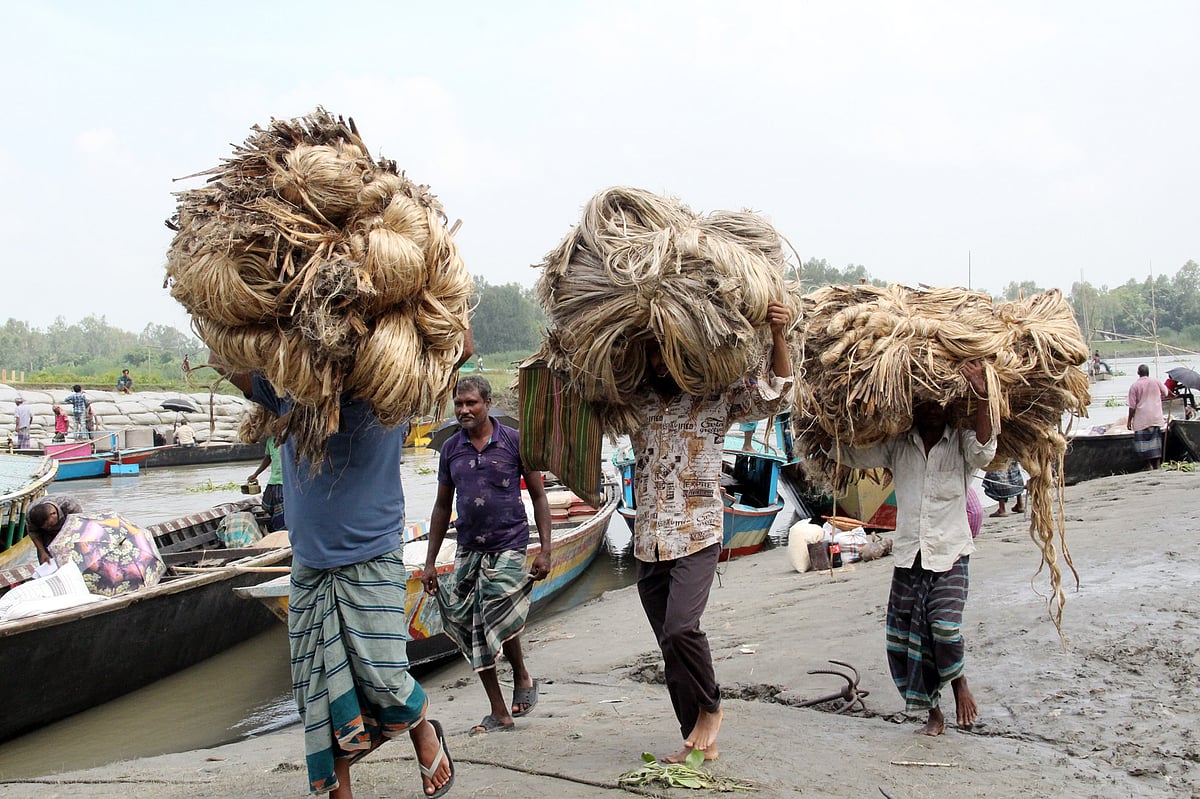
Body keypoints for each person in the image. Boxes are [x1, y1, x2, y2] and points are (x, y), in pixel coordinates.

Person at [219, 348, 464, 799]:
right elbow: (223, 356)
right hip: (310, 567)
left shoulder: (392, 394)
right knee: (319, 698)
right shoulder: (289, 397)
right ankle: (339, 791)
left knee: (387, 676)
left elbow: (458, 347)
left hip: (371, 558)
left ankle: (424, 729)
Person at [628, 300, 794, 763]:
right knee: (668, 646)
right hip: (648, 539)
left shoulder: (715, 395)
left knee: (682, 628)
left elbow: (775, 391)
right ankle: (695, 739)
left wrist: (778, 334)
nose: (660, 362)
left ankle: (713, 706)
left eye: (668, 352)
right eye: (654, 354)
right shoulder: (634, 399)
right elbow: (582, 397)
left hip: (698, 531)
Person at [835, 361, 997, 736]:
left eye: (935, 404)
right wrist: (822, 427)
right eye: (922, 404)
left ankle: (960, 686)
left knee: (943, 629)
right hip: (910, 557)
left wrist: (984, 399)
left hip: (950, 553)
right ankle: (933, 713)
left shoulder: (960, 442)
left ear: (946, 407)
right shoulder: (898, 445)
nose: (929, 410)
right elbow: (856, 455)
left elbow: (985, 452)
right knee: (910, 641)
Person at [421, 375, 551, 735]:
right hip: (469, 547)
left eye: (470, 404)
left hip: (509, 543)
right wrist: (430, 562)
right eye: (458, 404)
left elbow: (539, 497)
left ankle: (519, 677)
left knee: (489, 616)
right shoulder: (451, 449)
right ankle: (501, 708)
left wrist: (545, 549)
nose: (463, 410)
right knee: (473, 625)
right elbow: (442, 505)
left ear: (487, 404)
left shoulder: (514, 442)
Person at [1127, 364, 1168, 470]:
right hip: (1155, 417)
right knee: (1156, 441)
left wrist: (1129, 421)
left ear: (1138, 373)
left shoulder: (1134, 386)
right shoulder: (1156, 382)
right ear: (1148, 372)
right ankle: (1157, 463)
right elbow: (1165, 392)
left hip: (1142, 419)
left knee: (1142, 443)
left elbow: (1132, 406)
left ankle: (1148, 464)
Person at [26, 494, 83, 565]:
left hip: (68, 528)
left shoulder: (70, 505)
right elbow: (34, 532)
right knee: (47, 561)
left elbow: (78, 526)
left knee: (75, 556)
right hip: (46, 535)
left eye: (49, 525)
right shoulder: (30, 512)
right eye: (45, 527)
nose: (48, 527)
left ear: (53, 513)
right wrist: (42, 552)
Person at [248, 435, 285, 531]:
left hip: (284, 481)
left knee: (282, 506)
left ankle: (281, 530)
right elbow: (267, 459)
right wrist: (256, 474)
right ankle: (277, 529)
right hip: (273, 480)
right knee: (267, 505)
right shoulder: (270, 441)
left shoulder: (287, 439)